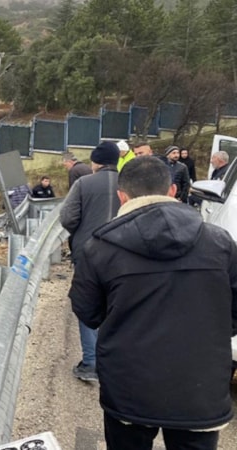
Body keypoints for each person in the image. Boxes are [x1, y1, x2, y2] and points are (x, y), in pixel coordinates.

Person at [69, 156, 237, 450]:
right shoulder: (220, 242)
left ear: (122, 196)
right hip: (200, 388)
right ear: (172, 191)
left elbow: (88, 311)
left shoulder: (99, 248)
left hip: (129, 387)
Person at [59, 141, 120, 383]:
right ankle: (113, 360)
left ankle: (91, 363)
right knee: (118, 304)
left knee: (87, 305)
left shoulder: (84, 183)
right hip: (124, 253)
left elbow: (67, 217)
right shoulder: (129, 183)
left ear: (95, 162)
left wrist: (82, 231)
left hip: (88, 253)